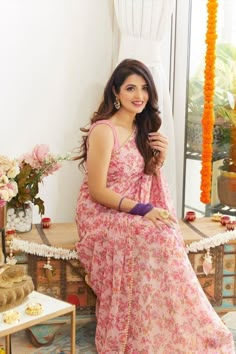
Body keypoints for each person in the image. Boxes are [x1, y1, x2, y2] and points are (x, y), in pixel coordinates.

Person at [75, 59, 235, 353]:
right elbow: (97, 191)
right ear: (116, 92)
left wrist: (158, 160)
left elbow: (144, 179)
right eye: (131, 88)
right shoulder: (104, 130)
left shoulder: (142, 129)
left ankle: (166, 324)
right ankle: (137, 334)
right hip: (100, 213)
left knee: (166, 233)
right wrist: (143, 210)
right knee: (157, 234)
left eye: (145, 88)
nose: (139, 95)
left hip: (130, 208)